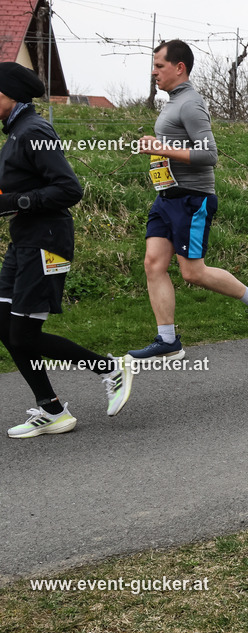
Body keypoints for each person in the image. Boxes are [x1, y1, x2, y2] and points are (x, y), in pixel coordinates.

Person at [0, 62, 134, 437]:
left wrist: (15, 200)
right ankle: (52, 410)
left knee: (23, 334)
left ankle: (110, 368)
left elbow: (69, 190)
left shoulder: (34, 131)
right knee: (3, 322)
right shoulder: (16, 132)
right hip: (24, 239)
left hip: (47, 241)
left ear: (10, 96)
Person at [128, 40, 248, 361]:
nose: (154, 72)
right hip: (166, 196)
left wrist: (162, 148)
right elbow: (176, 145)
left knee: (192, 272)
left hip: (193, 200)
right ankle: (167, 339)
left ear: (179, 67)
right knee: (153, 263)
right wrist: (157, 144)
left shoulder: (192, 103)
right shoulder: (171, 103)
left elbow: (209, 154)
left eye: (159, 65)